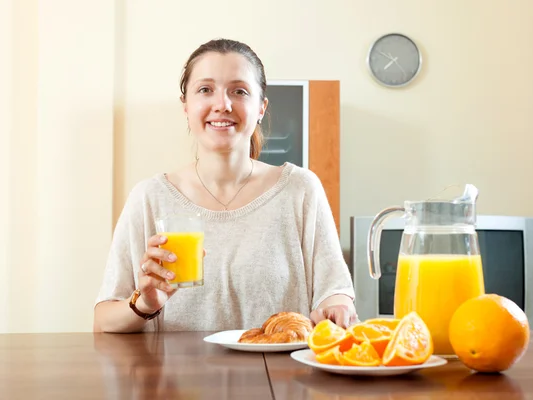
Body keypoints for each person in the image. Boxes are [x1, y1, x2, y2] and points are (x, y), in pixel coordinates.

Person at [93, 38, 357, 333]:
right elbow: (104, 320)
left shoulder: (300, 189)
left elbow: (335, 291)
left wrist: (338, 307)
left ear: (261, 107)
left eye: (239, 91)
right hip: (179, 379)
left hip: (282, 377)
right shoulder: (150, 197)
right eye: (205, 90)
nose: (222, 104)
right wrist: (144, 305)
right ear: (186, 106)